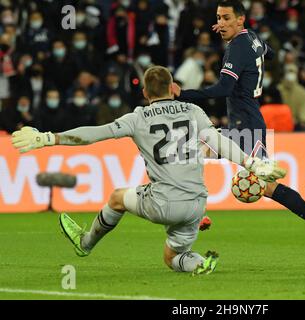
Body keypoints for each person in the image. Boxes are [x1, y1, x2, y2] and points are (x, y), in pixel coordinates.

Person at [11, 66, 286, 275]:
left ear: (145, 93)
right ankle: (199, 262)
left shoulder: (138, 117)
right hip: (198, 204)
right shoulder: (193, 110)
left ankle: (85, 244)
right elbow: (217, 141)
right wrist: (252, 163)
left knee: (118, 198)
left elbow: (95, 134)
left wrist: (49, 138)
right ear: (173, 87)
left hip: (163, 202)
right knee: (173, 256)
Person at [172, 0, 305, 261]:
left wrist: (182, 94)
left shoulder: (238, 47)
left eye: (227, 18)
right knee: (189, 155)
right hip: (245, 121)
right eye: (219, 18)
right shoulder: (252, 38)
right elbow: (268, 52)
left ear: (240, 19)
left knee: (191, 155)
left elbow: (223, 89)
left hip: (247, 125)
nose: (221, 23)